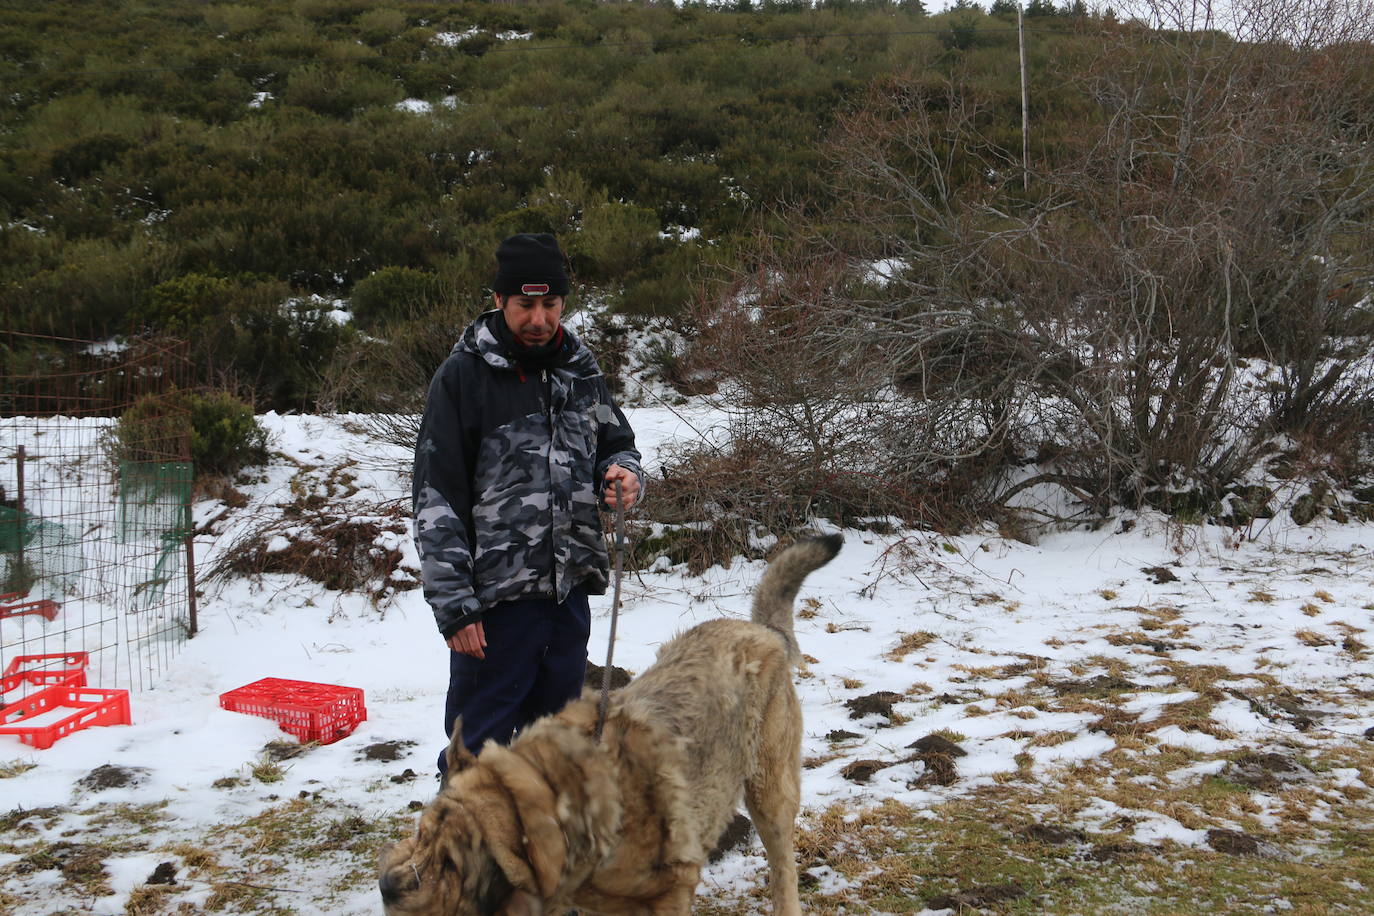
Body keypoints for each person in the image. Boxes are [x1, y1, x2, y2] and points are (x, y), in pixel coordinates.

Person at [411, 232, 643, 776]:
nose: (538, 318)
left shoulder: (581, 370)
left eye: (550, 304)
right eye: (525, 305)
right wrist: (454, 607)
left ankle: (545, 854)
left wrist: (623, 477)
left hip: (567, 597)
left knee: (557, 747)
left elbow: (618, 444)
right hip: (494, 607)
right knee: (479, 753)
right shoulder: (463, 378)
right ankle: (461, 856)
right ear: (499, 301)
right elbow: (434, 497)